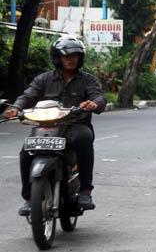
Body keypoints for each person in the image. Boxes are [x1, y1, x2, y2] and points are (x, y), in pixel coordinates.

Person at [3, 36, 107, 215]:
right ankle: (29, 198)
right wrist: (15, 108)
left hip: (75, 125)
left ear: (80, 58)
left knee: (84, 138)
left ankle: (85, 190)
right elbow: (27, 95)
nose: (70, 59)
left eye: (74, 56)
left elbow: (98, 97)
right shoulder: (44, 79)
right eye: (66, 56)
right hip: (47, 126)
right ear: (57, 58)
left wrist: (94, 104)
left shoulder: (87, 80)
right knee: (26, 150)